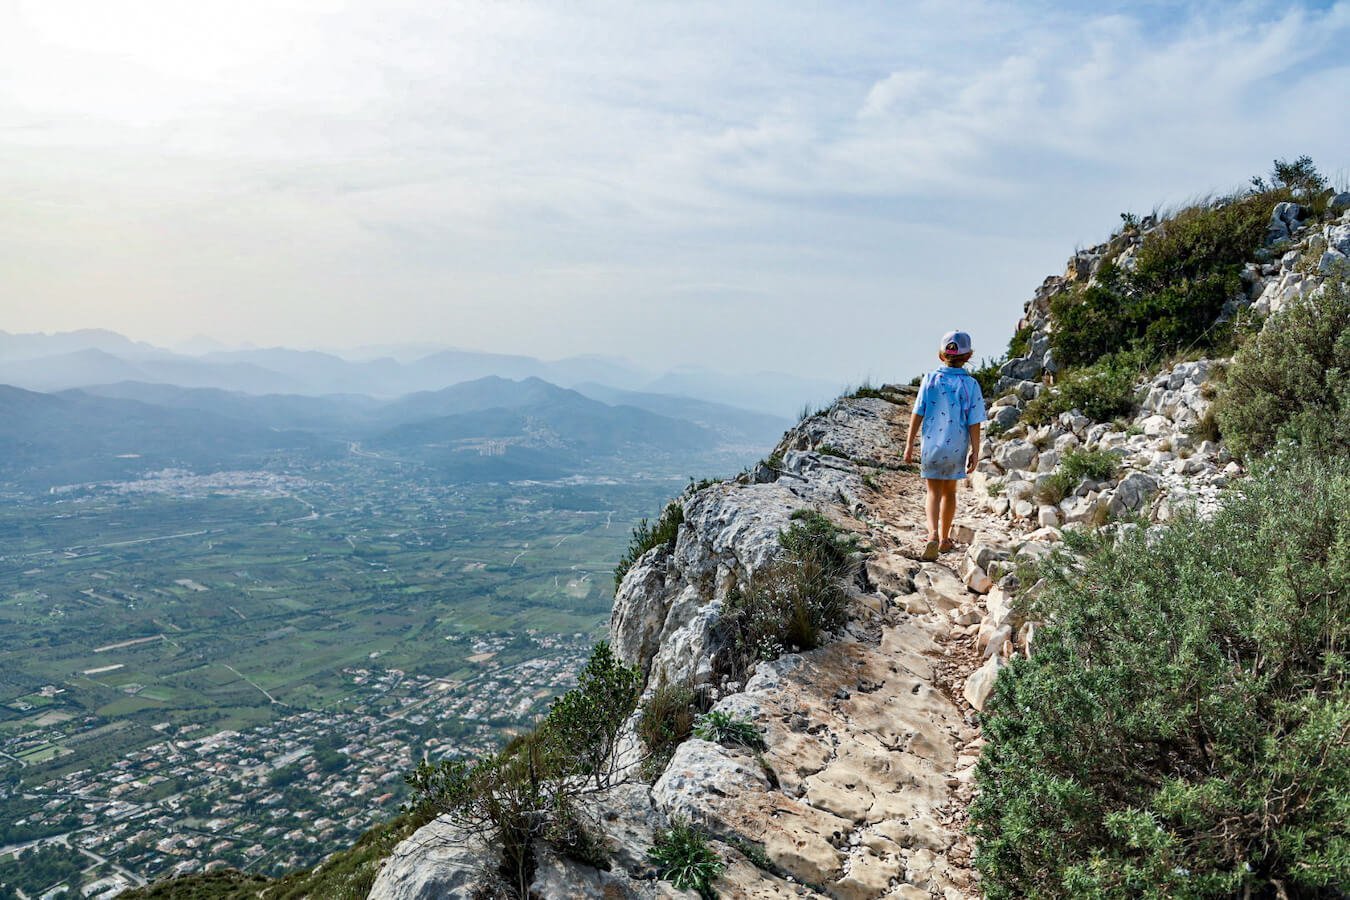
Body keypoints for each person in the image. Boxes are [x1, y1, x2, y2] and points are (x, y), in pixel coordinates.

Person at [903, 330, 986, 561]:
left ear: (941, 356)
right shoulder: (970, 385)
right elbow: (974, 422)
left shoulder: (930, 379)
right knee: (950, 492)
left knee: (932, 491)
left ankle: (932, 534)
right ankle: (945, 538)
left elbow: (917, 412)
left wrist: (909, 444)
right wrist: (976, 451)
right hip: (956, 447)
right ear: (968, 356)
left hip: (932, 446)